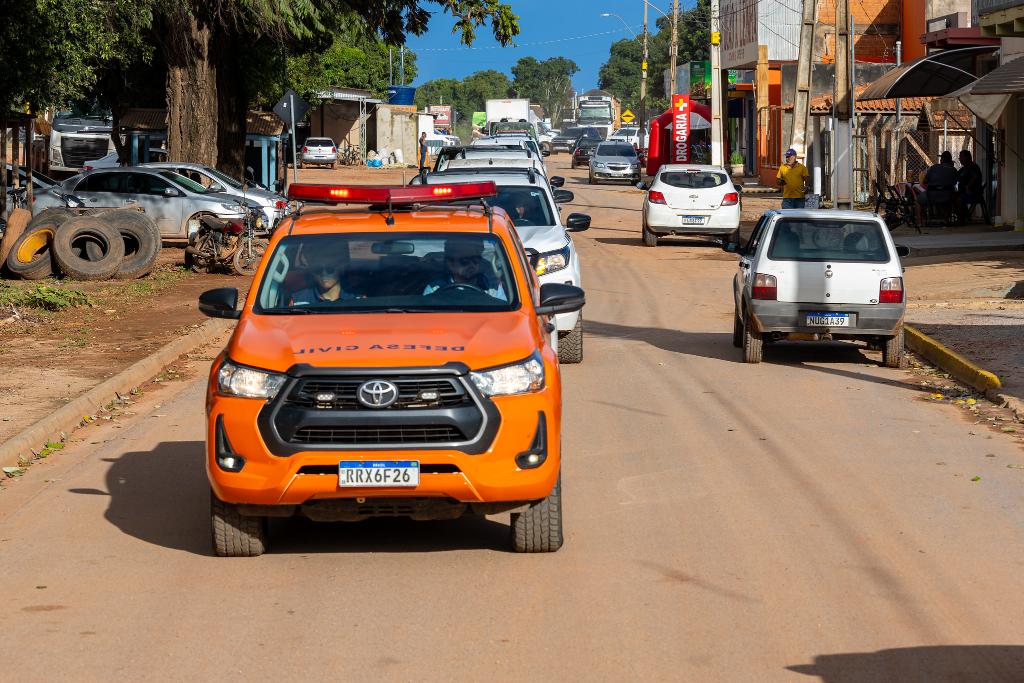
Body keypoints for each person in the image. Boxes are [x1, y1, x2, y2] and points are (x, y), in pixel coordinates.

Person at [423, 238, 507, 301]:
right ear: (450, 263)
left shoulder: (492, 287)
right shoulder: (434, 289)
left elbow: (505, 314)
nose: (471, 265)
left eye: (475, 260)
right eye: (465, 261)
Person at [290, 244, 358, 305]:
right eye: (318, 269)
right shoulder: (298, 301)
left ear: (341, 268)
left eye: (330, 268)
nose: (324, 273)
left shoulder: (358, 299)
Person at [916, 151, 957, 223]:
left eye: (941, 158)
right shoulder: (954, 170)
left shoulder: (933, 168)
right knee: (950, 198)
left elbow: (925, 181)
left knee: (917, 200)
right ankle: (946, 220)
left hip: (931, 196)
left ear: (942, 160)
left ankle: (920, 222)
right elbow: (955, 182)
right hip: (947, 197)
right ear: (950, 160)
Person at [956, 149, 983, 224]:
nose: (959, 159)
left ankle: (961, 220)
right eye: (959, 157)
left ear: (967, 157)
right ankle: (965, 216)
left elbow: (975, 177)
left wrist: (968, 186)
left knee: (958, 199)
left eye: (961, 157)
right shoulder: (963, 168)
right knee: (951, 197)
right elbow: (955, 176)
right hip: (963, 193)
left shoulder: (973, 166)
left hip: (973, 193)